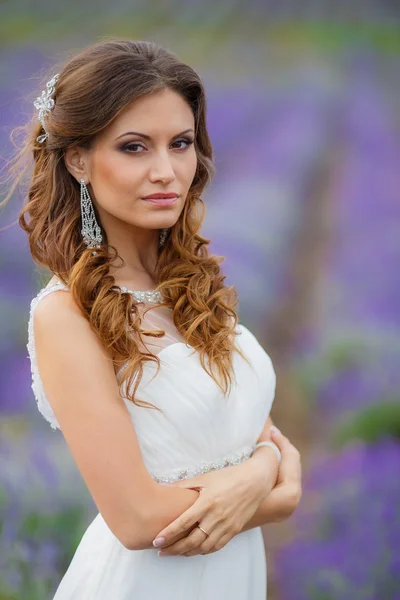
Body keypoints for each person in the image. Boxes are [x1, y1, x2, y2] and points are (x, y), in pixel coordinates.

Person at [10, 39, 302, 598]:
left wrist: (258, 470)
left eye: (182, 143)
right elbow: (139, 520)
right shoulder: (67, 314)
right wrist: (270, 485)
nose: (167, 171)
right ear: (77, 160)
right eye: (135, 147)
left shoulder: (196, 283)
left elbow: (252, 433)